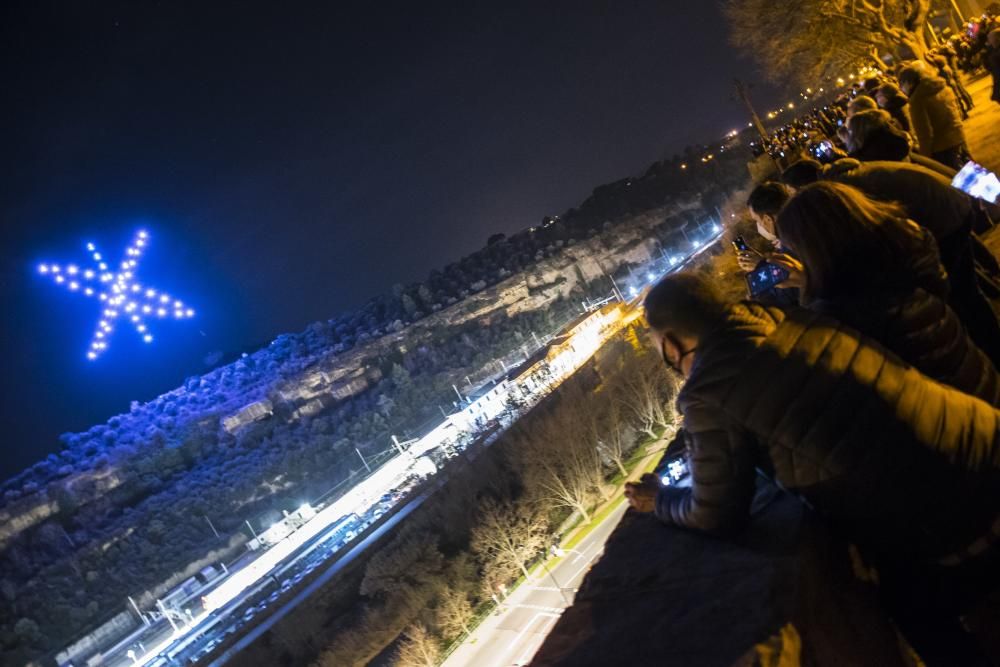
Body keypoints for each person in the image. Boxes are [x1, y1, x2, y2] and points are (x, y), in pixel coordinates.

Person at [625, 271, 1000, 665]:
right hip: (981, 442)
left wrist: (660, 500)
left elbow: (714, 514)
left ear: (669, 344)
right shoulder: (779, 319)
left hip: (963, 515)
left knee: (908, 603)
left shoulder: (708, 392)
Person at [774, 182, 1000, 405]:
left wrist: (807, 286)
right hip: (981, 383)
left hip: (962, 418)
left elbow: (827, 348)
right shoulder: (902, 255)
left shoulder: (848, 311)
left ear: (814, 248)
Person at [898, 64, 972, 170]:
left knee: (960, 178)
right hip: (958, 136)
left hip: (942, 147)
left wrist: (926, 158)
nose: (901, 89)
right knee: (973, 172)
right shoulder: (942, 87)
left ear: (909, 83)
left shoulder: (917, 101)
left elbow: (925, 134)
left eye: (901, 84)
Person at [986, 29, 1000, 106]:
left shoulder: (995, 55)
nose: (989, 42)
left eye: (991, 39)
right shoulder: (993, 52)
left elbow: (997, 74)